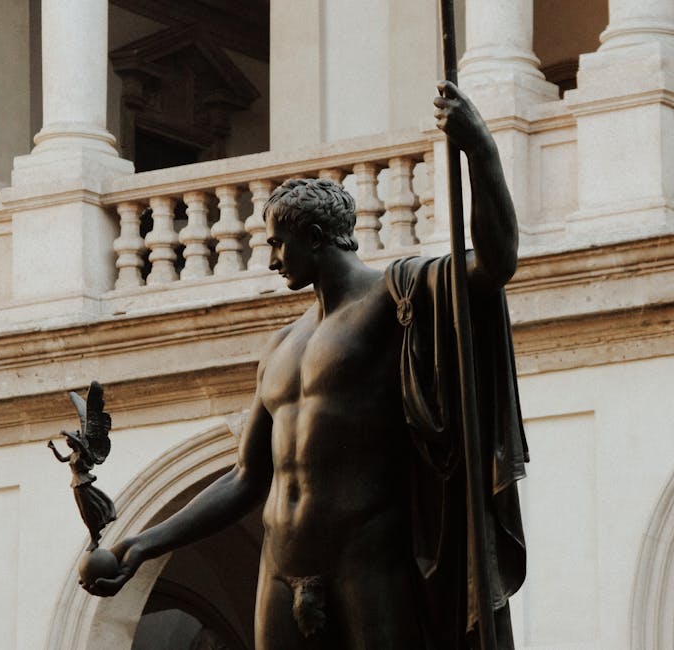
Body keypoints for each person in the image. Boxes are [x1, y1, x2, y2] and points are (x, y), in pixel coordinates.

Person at [84, 81, 528, 650]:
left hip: (367, 559)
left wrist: (479, 148)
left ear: (315, 238)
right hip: (281, 565)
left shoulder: (395, 298)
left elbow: (495, 263)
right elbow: (246, 478)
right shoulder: (281, 346)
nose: (271, 260)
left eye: (278, 245)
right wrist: (144, 543)